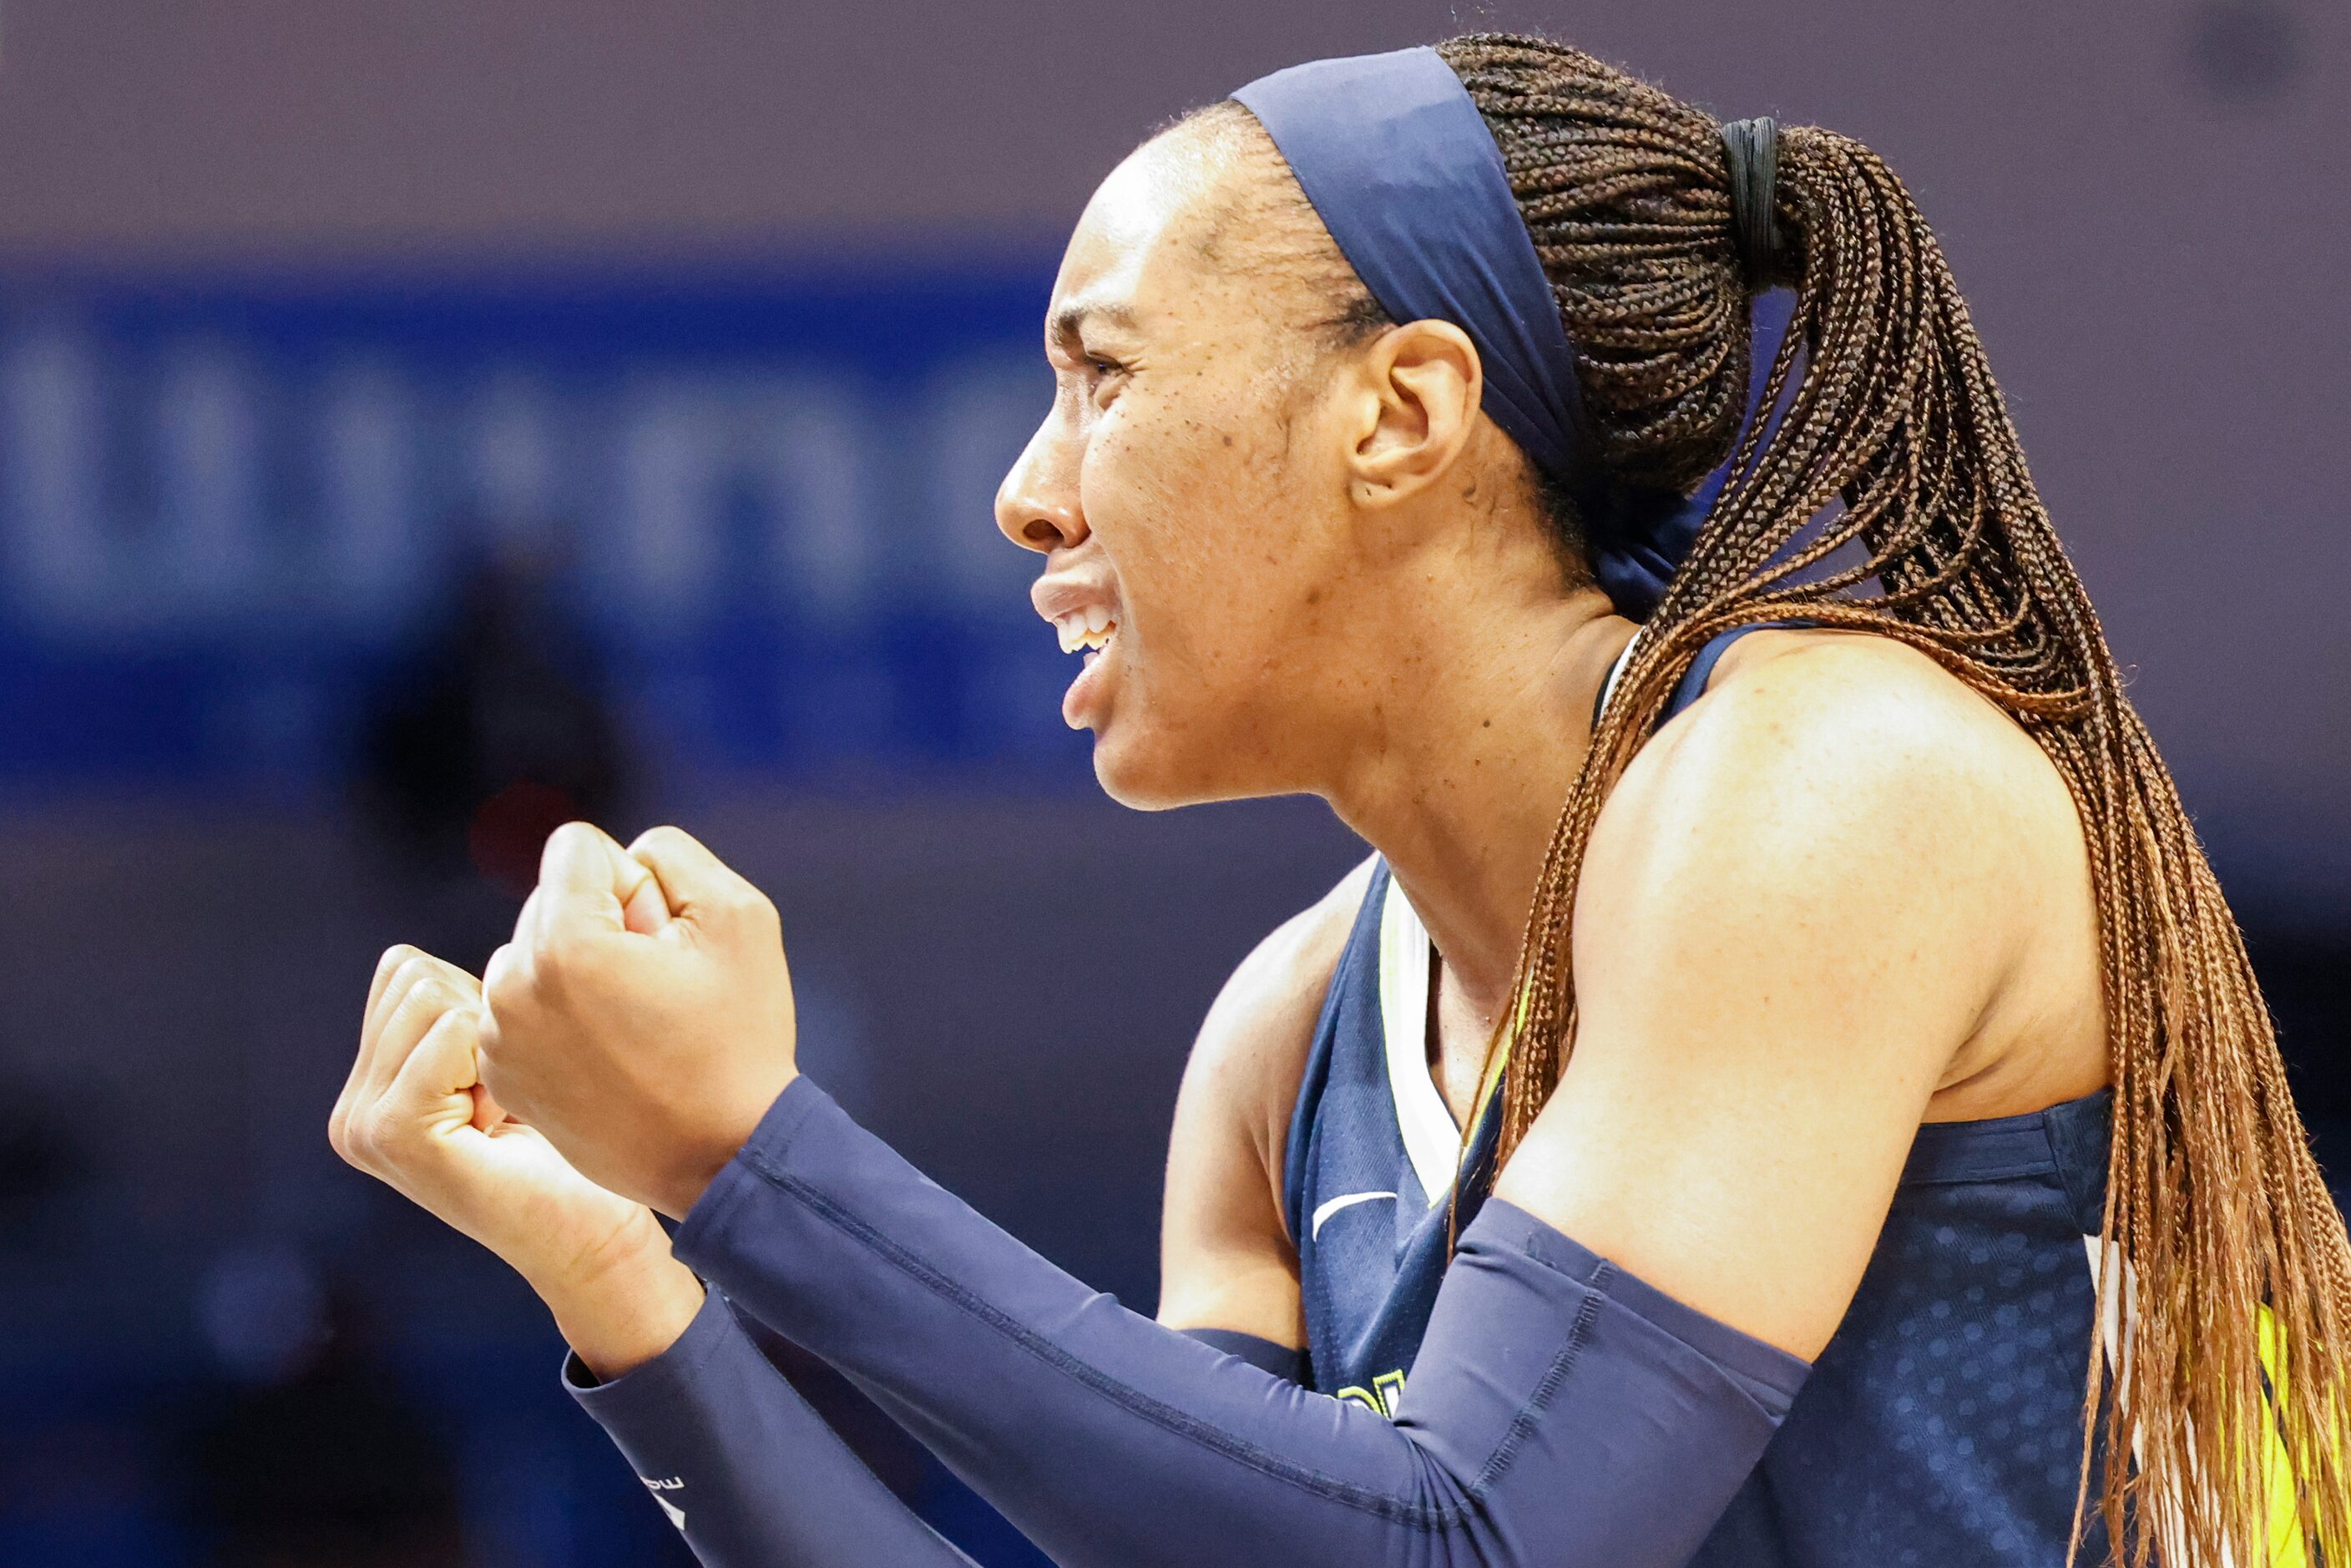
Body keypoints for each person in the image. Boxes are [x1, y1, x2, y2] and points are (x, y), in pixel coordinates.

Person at [330, 33, 2349, 1568]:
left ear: (1401, 414)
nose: (1028, 488)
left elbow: (1472, 1538)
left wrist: (749, 1152)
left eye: (1102, 375)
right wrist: (629, 1276)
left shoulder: (1828, 783)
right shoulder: (1288, 1035)